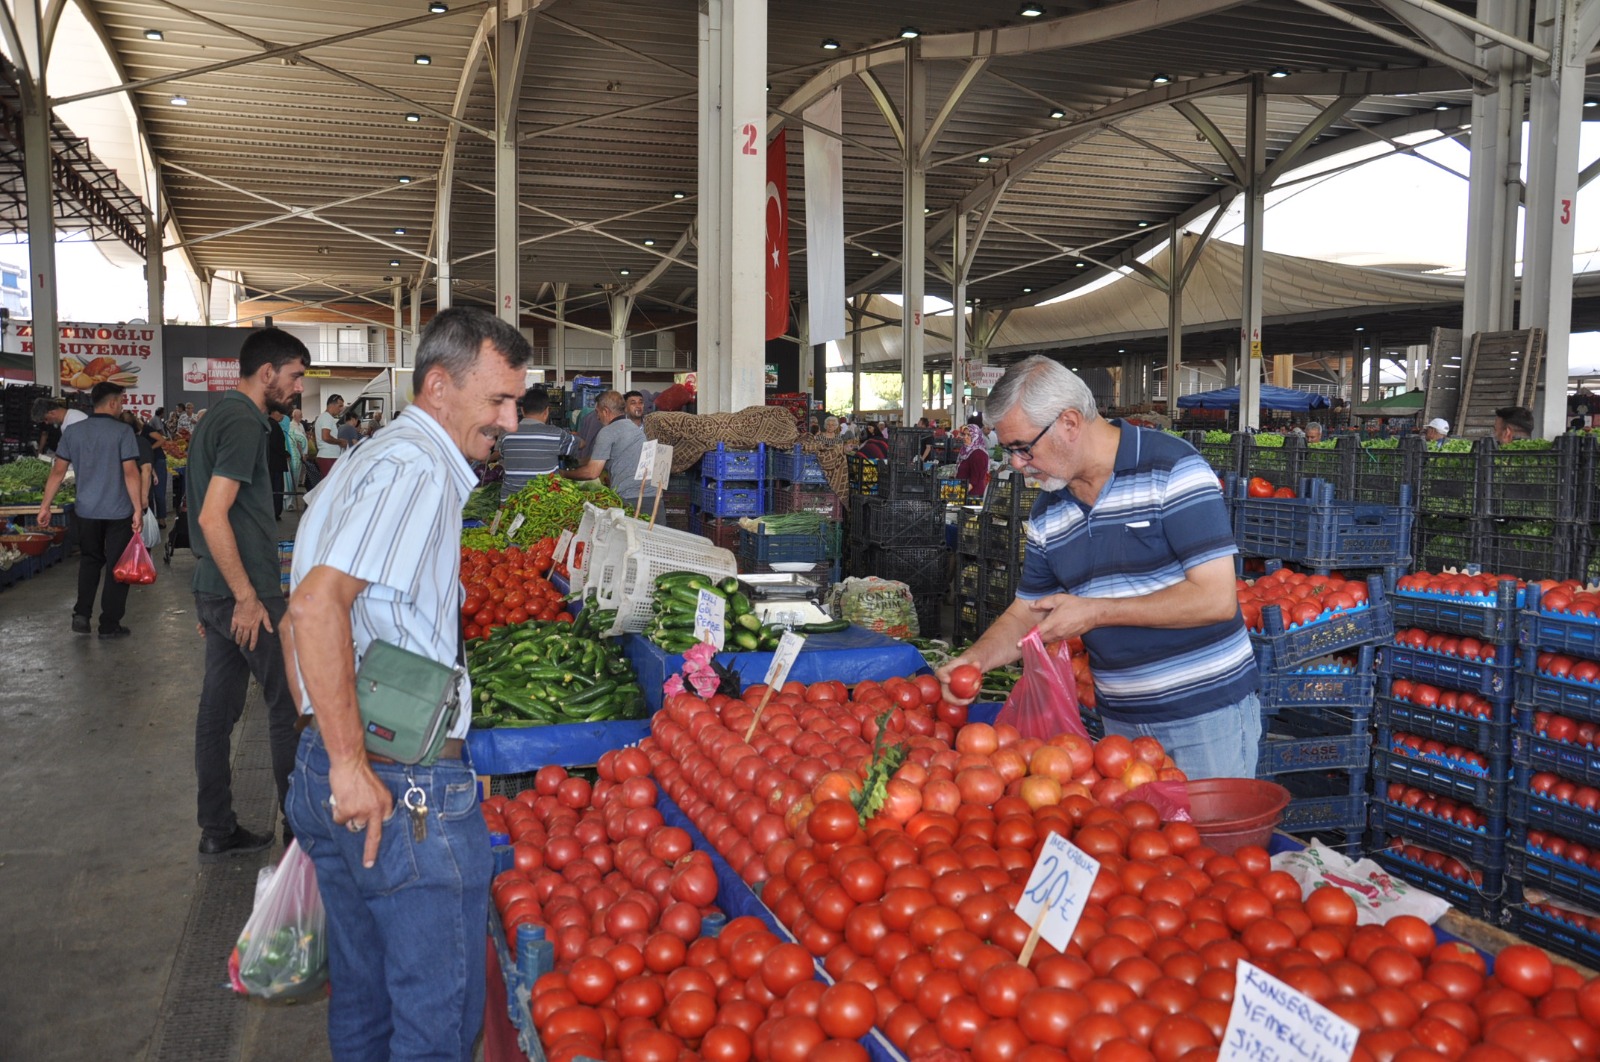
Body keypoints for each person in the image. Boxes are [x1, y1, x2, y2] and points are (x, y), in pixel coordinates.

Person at [282, 307, 527, 1060]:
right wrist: (355, 767)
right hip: (402, 791)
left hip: (337, 768)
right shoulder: (414, 469)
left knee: (364, 997)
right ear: (438, 387)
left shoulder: (374, 457)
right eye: (497, 401)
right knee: (437, 1021)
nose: (511, 422)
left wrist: (336, 757)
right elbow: (314, 605)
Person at [934, 355, 1260, 779]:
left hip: (1204, 715)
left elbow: (1215, 599)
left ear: (1069, 422)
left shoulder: (1173, 469)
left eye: (1022, 447)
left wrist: (1096, 611)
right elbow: (1029, 611)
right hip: (1119, 725)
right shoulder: (1049, 512)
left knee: (1206, 842)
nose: (1016, 463)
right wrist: (974, 661)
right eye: (1008, 451)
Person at [188, 329, 309, 858]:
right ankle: (299, 835)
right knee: (286, 710)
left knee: (216, 716)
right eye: (296, 375)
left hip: (216, 593)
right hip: (247, 595)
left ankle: (217, 830)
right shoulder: (241, 421)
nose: (298, 386)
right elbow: (213, 514)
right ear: (267, 373)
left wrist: (214, 596)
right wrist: (243, 595)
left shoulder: (217, 416)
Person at [35, 383, 144, 637]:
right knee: (119, 567)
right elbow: (130, 473)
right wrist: (138, 508)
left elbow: (58, 472)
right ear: (113, 403)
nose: (122, 406)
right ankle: (109, 624)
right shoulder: (123, 432)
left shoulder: (73, 432)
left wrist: (45, 506)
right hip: (118, 512)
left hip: (86, 511)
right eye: (121, 401)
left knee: (89, 561)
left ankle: (81, 615)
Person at [565, 390, 645, 506]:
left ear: (606, 411)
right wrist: (577, 462)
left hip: (630, 498)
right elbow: (603, 456)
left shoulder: (608, 431)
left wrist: (563, 474)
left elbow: (592, 472)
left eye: (597, 412)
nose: (597, 417)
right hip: (651, 496)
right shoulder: (633, 427)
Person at [501, 385, 577, 500]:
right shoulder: (556, 434)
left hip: (510, 503)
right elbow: (579, 445)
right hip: (543, 503)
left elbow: (503, 455)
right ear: (547, 411)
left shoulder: (506, 435)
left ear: (522, 410)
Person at [145, 408, 171, 524]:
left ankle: (161, 519)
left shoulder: (146, 429)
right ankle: (155, 520)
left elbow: (161, 439)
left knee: (158, 493)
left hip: (156, 460)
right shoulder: (152, 422)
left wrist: (148, 449)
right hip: (148, 461)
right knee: (150, 493)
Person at [954, 423, 991, 501]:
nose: (965, 437)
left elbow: (975, 480)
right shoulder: (965, 451)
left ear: (976, 436)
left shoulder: (978, 454)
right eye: (964, 434)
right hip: (965, 494)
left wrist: (958, 495)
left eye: (969, 435)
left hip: (973, 496)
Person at [266, 409, 292, 519]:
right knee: (277, 488)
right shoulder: (274, 425)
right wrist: (285, 453)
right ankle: (275, 512)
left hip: (269, 462)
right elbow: (276, 445)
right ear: (274, 412)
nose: (282, 416)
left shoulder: (268, 424)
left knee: (272, 487)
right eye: (280, 413)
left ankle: (272, 511)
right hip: (276, 463)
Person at [313, 394, 345, 479]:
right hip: (328, 456)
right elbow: (326, 437)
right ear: (332, 404)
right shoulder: (326, 417)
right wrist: (340, 442)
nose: (341, 409)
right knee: (330, 485)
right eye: (340, 406)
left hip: (329, 456)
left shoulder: (326, 417)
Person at [283, 407, 309, 511]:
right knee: (291, 480)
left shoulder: (300, 425)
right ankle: (289, 503)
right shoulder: (290, 426)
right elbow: (301, 440)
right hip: (293, 456)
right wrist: (303, 452)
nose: (302, 417)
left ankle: (291, 502)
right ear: (294, 416)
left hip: (297, 456)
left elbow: (304, 438)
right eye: (300, 415)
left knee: (295, 479)